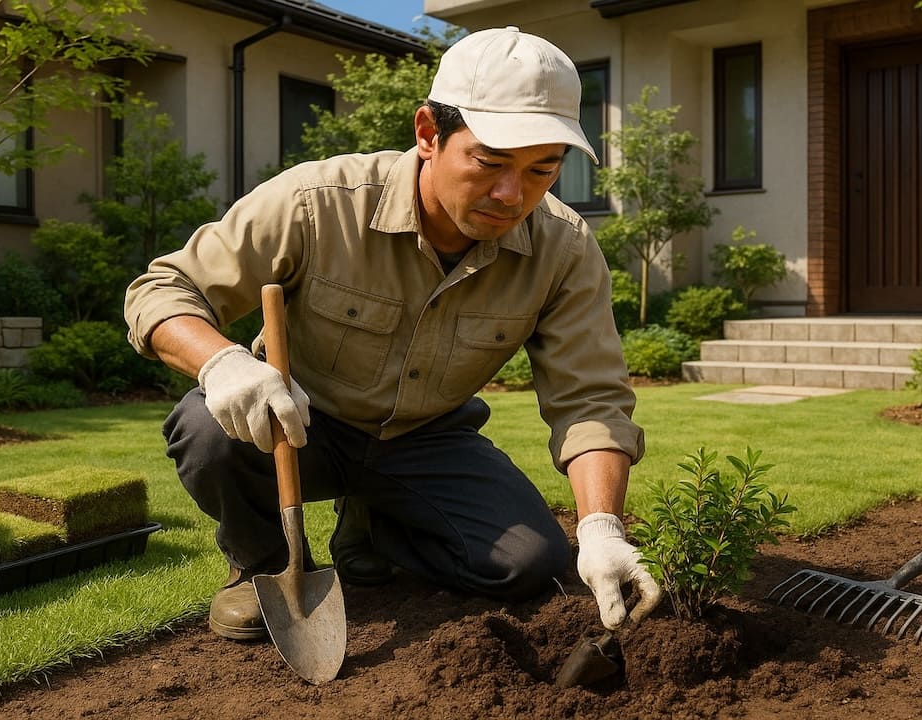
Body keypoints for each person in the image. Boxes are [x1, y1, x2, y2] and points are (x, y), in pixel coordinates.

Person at [124, 26, 661, 643]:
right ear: (429, 133)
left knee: (530, 563)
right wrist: (222, 364)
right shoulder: (319, 202)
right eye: (489, 162)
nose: (513, 194)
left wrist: (601, 528)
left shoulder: (562, 249)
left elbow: (590, 399)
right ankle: (262, 566)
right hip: (299, 426)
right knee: (204, 430)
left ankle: (375, 523)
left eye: (543, 170)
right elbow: (162, 289)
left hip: (425, 440)